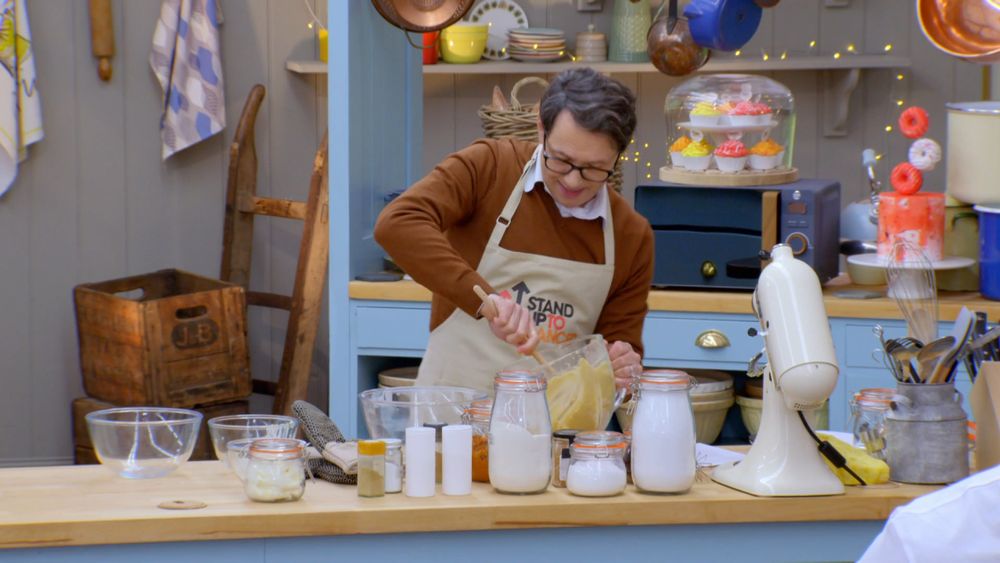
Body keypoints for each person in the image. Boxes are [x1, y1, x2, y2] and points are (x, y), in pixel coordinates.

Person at [374, 67, 654, 395]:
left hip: (556, 432)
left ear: (617, 157)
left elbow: (619, 348)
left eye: (594, 169)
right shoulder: (489, 167)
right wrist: (486, 300)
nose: (573, 181)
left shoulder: (631, 235)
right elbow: (397, 223)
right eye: (561, 160)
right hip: (453, 421)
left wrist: (622, 366)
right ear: (540, 130)